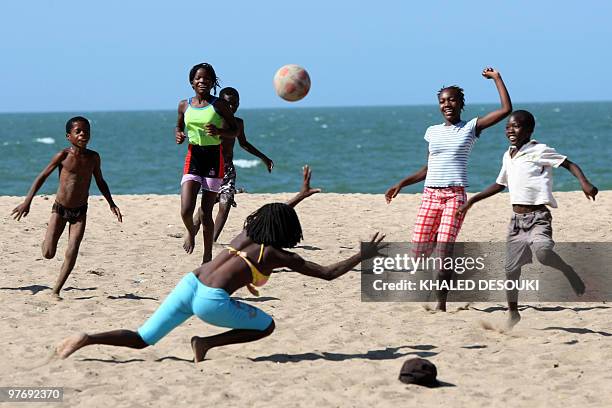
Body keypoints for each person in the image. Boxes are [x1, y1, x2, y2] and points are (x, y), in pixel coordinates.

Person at [55, 166, 386, 362]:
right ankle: (205, 343)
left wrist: (298, 197)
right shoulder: (276, 255)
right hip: (210, 301)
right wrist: (363, 254)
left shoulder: (246, 233)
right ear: (285, 231)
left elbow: (274, 213)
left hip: (189, 284)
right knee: (267, 326)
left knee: (144, 338)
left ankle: (88, 338)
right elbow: (328, 273)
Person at [385, 67, 512, 311]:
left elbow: (506, 110)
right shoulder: (432, 132)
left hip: (455, 197)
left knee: (444, 252)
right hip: (429, 195)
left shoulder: (470, 128)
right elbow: (428, 168)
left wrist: (497, 78)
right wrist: (401, 183)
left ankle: (441, 306)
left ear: (461, 103)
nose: (447, 104)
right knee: (419, 252)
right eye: (442, 101)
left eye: (452, 99)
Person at [456, 110, 597, 328]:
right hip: (516, 221)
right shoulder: (508, 155)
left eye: (516, 126)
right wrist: (473, 200)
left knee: (543, 253)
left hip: (538, 216)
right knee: (511, 269)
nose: (510, 130)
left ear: (529, 130)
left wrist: (584, 183)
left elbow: (569, 164)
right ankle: (513, 313)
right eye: (507, 127)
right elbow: (500, 184)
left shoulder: (539, 150)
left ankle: (567, 270)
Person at [11, 116, 122, 300]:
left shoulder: (93, 157)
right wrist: (27, 201)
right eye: (78, 131)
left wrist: (112, 204)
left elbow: (100, 181)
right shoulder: (63, 156)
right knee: (48, 253)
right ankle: (46, 241)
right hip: (60, 209)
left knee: (72, 250)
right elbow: (41, 177)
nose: (83, 134)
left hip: (80, 212)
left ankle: (56, 290)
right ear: (68, 136)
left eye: (86, 131)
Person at [175, 63, 239, 263]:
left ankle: (207, 255)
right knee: (186, 209)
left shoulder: (218, 105)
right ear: (191, 82)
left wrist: (219, 132)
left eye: (206, 79)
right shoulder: (184, 105)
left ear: (212, 83)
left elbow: (235, 130)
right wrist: (179, 134)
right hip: (193, 156)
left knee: (206, 212)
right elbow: (178, 125)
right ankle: (190, 231)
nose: (202, 82)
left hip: (214, 158)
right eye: (198, 79)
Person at [194, 87, 274, 244]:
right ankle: (192, 230)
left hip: (228, 168)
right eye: (228, 104)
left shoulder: (238, 123)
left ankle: (212, 240)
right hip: (210, 167)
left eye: (235, 104)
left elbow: (244, 144)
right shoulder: (212, 120)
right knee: (208, 204)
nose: (232, 107)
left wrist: (264, 158)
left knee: (226, 201)